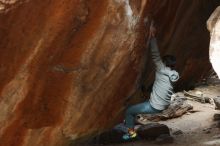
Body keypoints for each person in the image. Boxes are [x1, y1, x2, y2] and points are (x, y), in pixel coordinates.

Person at [122, 22, 179, 140]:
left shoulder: (161, 68)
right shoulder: (175, 74)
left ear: (164, 63)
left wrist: (152, 36)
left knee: (129, 111)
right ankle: (133, 121)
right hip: (164, 104)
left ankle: (131, 134)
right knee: (143, 98)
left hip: (155, 106)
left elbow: (155, 55)